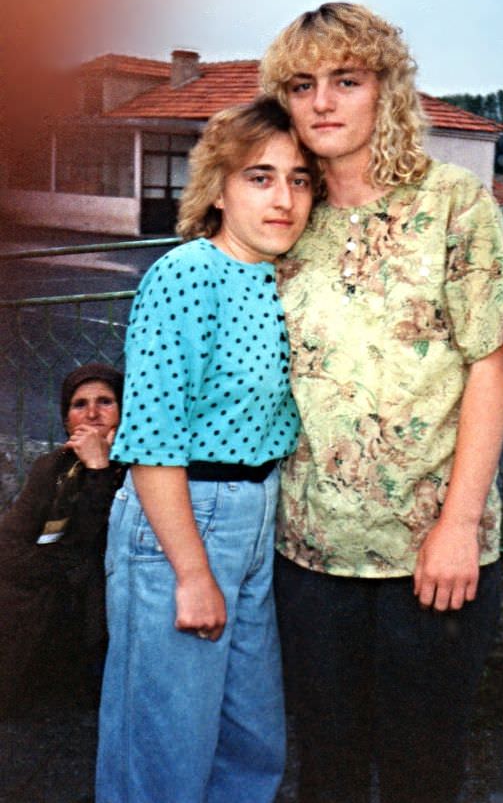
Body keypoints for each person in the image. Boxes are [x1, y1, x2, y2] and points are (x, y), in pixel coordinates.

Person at [260, 2, 503, 803]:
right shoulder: (285, 214)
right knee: (329, 767)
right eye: (304, 84)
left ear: (386, 89)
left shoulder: (453, 203)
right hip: (309, 551)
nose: (323, 102)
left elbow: (492, 363)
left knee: (421, 766)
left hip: (433, 555)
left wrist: (456, 523)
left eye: (346, 80)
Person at [95, 97, 315, 803]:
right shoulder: (187, 274)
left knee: (251, 743)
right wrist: (192, 572)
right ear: (218, 187)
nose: (284, 198)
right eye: (260, 176)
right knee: (165, 748)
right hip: (183, 519)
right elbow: (152, 440)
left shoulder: (286, 274)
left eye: (301, 178)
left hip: (258, 515)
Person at [0, 362, 125, 717]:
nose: (92, 413)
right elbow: (10, 542)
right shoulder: (53, 466)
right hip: (52, 578)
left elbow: (91, 544)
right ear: (67, 419)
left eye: (106, 401)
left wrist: (99, 470)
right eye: (79, 404)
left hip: (97, 591)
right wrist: (53, 564)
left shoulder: (133, 471)